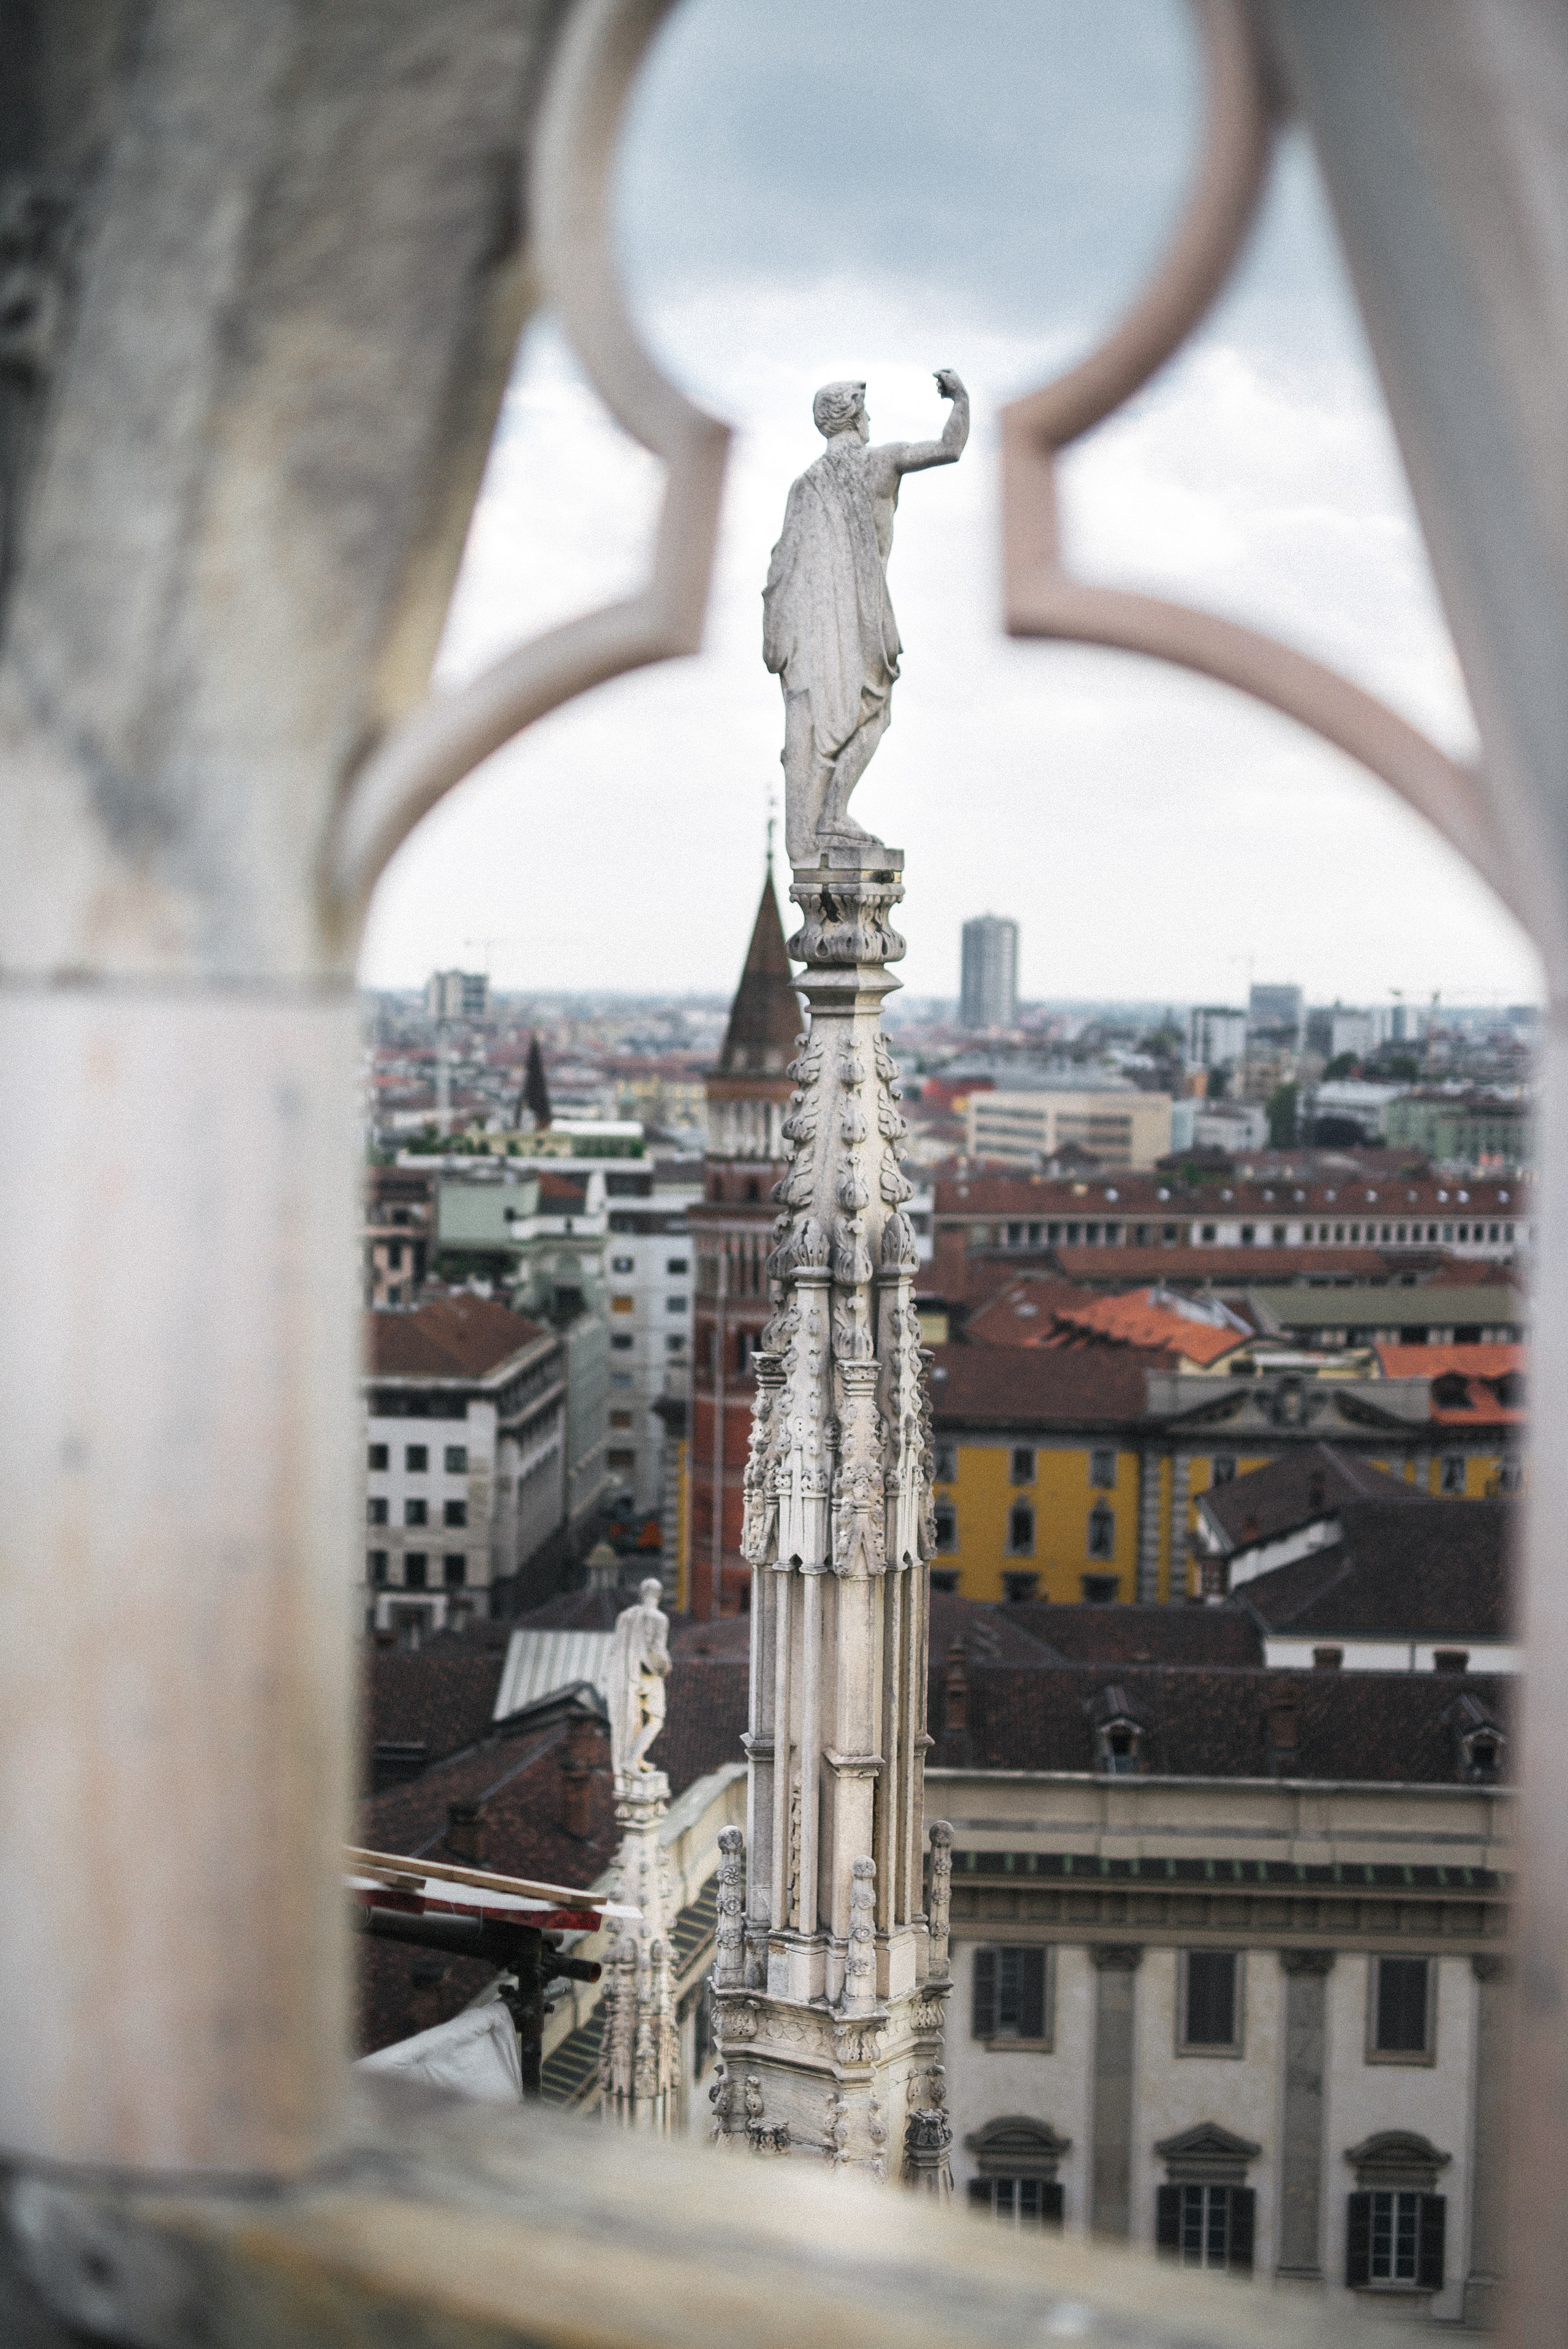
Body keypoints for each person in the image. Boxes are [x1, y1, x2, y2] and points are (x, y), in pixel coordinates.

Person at [763, 370, 969, 862]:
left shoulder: (805, 485)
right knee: (876, 712)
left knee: (839, 721)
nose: (871, 417)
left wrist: (778, 637)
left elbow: (782, 566)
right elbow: (950, 447)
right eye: (865, 409)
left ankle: (827, 816)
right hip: (866, 618)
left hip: (819, 629)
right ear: (853, 415)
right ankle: (833, 813)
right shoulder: (881, 462)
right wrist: (960, 399)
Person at [605, 1576, 671, 1782]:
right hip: (648, 1675)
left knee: (633, 1717)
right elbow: (657, 1651)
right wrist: (666, 1668)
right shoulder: (659, 1618)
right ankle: (631, 1759)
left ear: (642, 1594)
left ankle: (634, 1758)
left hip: (626, 1674)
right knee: (656, 1719)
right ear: (659, 1596)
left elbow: (616, 1649)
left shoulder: (625, 1616)